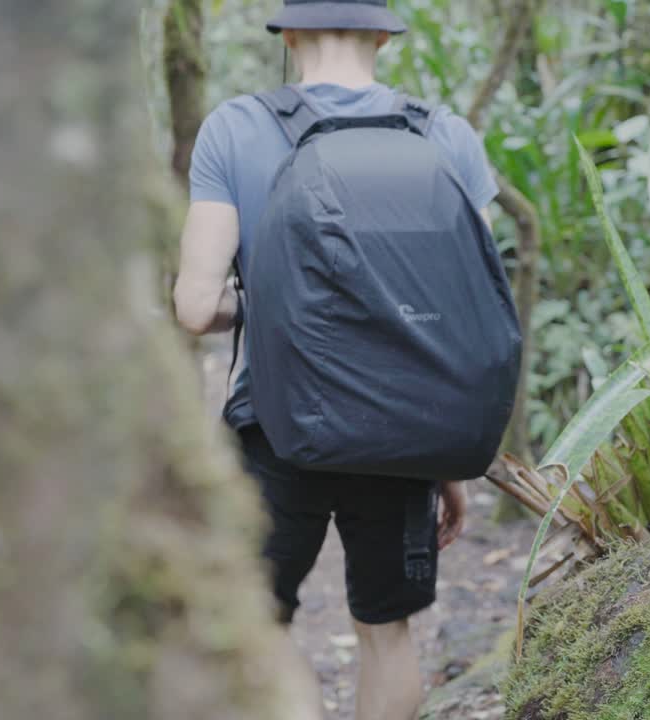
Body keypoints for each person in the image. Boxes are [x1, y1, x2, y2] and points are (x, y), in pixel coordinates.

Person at [173, 1, 501, 718]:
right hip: (406, 430)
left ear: (289, 34)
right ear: (384, 34)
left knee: (262, 622)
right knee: (386, 630)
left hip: (275, 421)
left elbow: (197, 308)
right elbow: (463, 311)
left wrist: (271, 307)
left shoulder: (236, 128)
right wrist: (445, 463)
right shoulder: (446, 135)